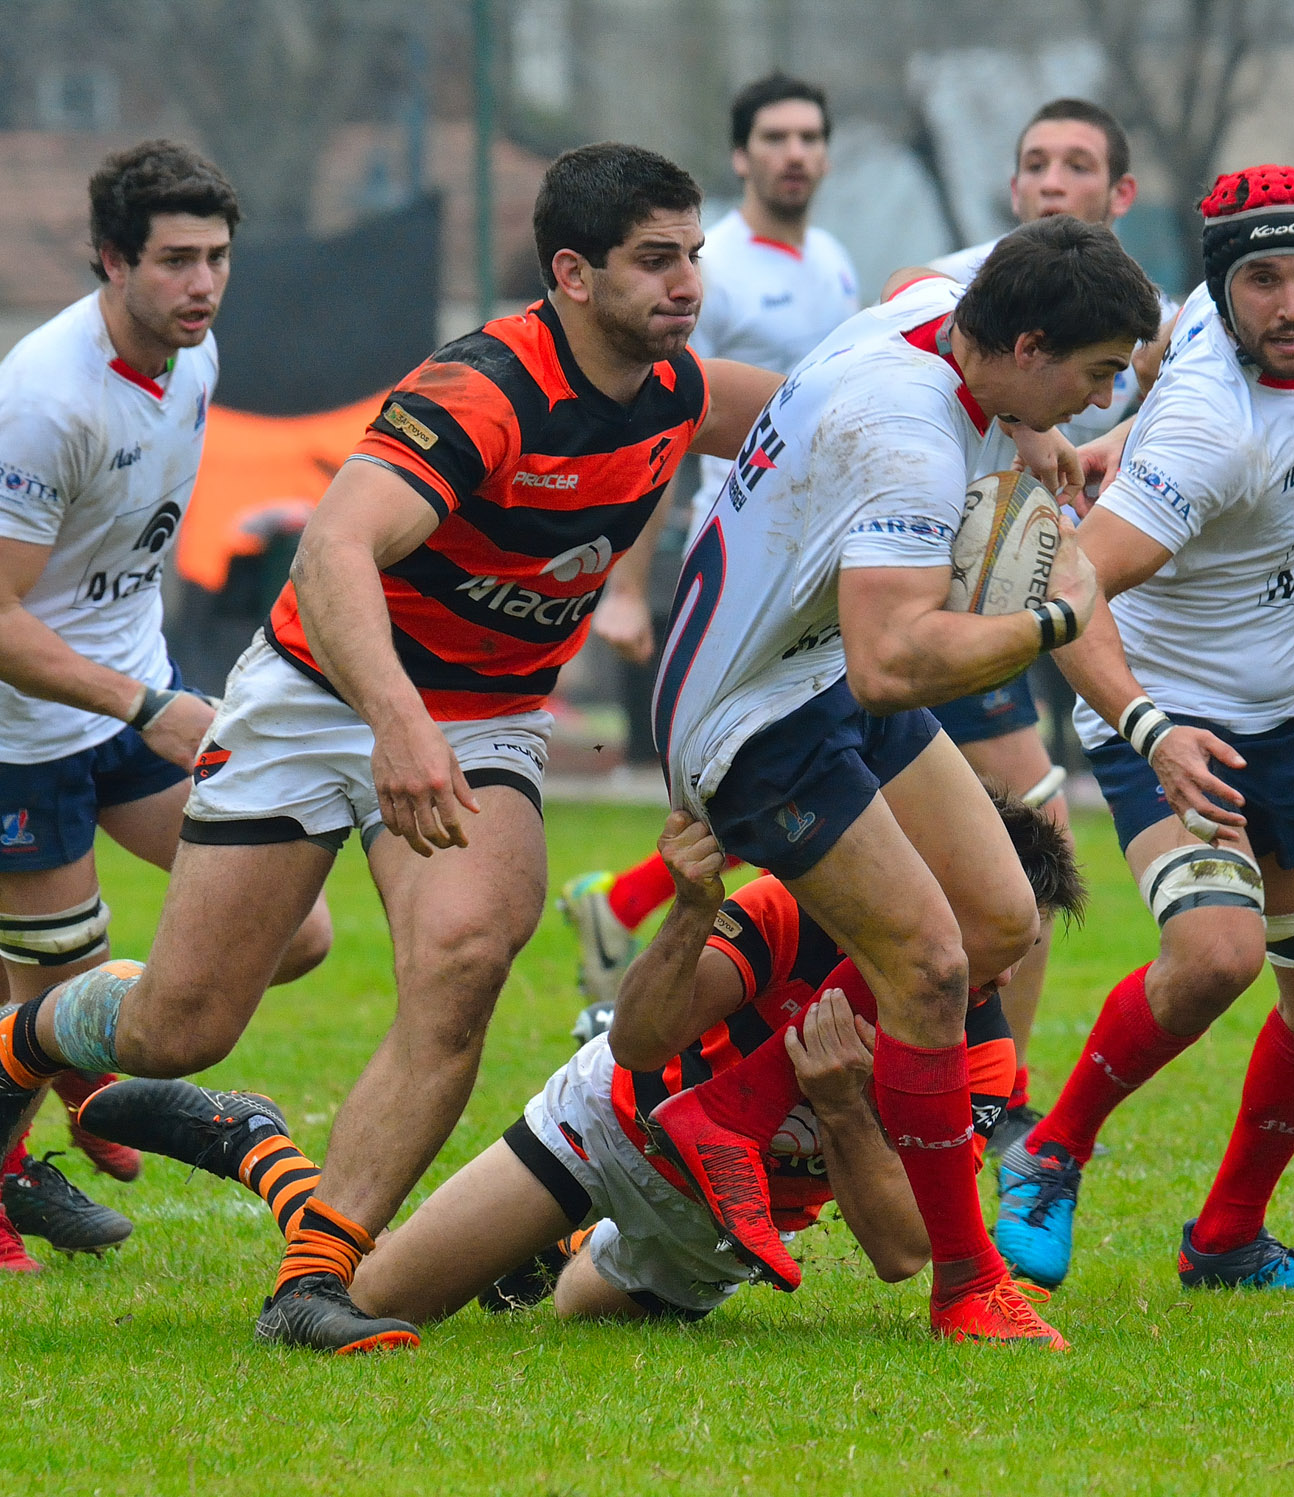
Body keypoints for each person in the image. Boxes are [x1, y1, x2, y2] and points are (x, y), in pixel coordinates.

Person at [0, 143, 790, 1351]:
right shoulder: (483, 391)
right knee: (183, 1026)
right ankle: (22, 1038)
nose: (687, 282)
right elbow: (331, 551)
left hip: (479, 714)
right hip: (319, 689)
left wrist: (994, 419)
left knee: (468, 951)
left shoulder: (674, 386)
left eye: (693, 254)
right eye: (656, 259)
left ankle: (317, 1279)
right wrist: (397, 723)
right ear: (572, 274)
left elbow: (808, 410)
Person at [650, 216, 1160, 1347]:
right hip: (751, 723)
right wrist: (1052, 617)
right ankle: (964, 1286)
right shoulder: (910, 443)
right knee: (929, 966)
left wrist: (1027, 431)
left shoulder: (937, 314)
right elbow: (892, 666)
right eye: (1091, 378)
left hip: (804, 668)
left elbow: (936, 269)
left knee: (997, 920)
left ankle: (728, 1106)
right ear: (1026, 346)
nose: (1094, 403)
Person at [86, 797, 1083, 1328]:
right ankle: (261, 1147)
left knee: (570, 1312)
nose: (985, 969)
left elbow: (902, 1253)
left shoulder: (981, 1054)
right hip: (612, 1124)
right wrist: (692, 913)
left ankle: (561, 1250)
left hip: (718, 1237)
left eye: (1014, 949)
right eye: (984, 932)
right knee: (371, 1303)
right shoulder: (797, 915)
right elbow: (645, 1039)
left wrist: (846, 1112)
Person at [990, 166, 1294, 1294]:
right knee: (1217, 954)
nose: (1291, 306)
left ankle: (1225, 1241)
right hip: (1169, 716)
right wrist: (1146, 724)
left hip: (1288, 718)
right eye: (1261, 280)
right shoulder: (1212, 435)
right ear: (1225, 286)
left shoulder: (1274, 335)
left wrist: (1115, 432)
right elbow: (1066, 586)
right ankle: (1049, 1153)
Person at [0, 140, 332, 1270]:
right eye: (176, 260)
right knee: (47, 1031)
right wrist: (148, 704)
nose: (203, 284)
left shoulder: (196, 357)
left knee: (295, 932)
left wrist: (151, 700)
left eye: (219, 258)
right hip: (23, 744)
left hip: (132, 710)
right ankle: (8, 1186)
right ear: (110, 261)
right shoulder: (44, 400)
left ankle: (78, 1057)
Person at [559, 73, 861, 1031]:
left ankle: (626, 908)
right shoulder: (702, 262)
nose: (795, 153)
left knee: (804, 768)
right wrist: (629, 588)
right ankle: (661, 979)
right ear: (741, 156)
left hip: (817, 561)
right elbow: (663, 428)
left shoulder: (836, 264)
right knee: (787, 769)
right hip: (727, 552)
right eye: (774, 136)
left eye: (811, 136)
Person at [920, 97, 1173, 1150]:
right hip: (947, 594)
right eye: (1034, 163)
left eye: (1076, 163)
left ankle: (990, 1089)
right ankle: (996, 1095)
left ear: (1118, 194)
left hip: (1042, 587)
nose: (1050, 180)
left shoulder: (1151, 318)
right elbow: (916, 322)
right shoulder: (975, 288)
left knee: (988, 853)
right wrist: (1027, 427)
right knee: (1023, 838)